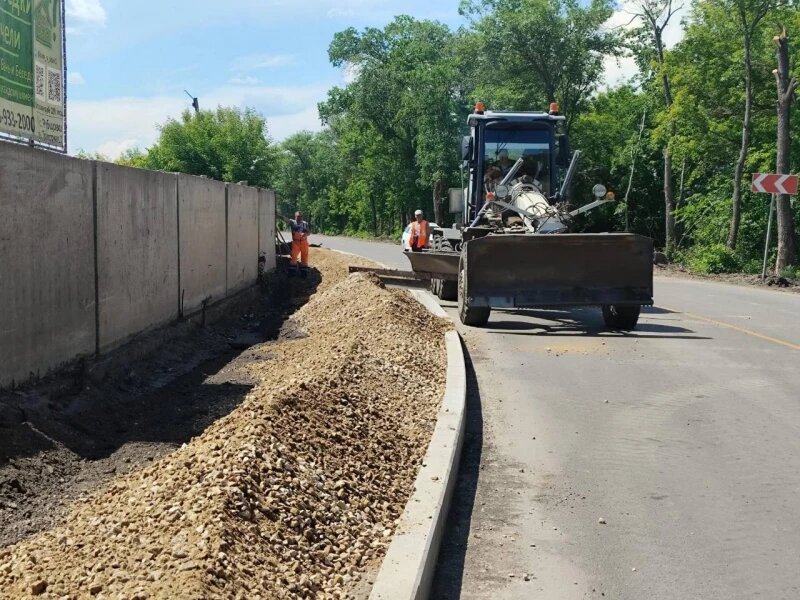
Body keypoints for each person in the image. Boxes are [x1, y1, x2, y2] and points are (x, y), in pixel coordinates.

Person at [288, 211, 310, 277]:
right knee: (294, 257)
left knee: (304, 257)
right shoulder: (292, 222)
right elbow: (285, 219)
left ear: (302, 217)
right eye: (298, 216)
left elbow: (309, 233)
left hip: (304, 242)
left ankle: (304, 273)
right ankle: (292, 272)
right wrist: (278, 215)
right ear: (295, 217)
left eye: (300, 217)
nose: (299, 218)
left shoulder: (305, 224)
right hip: (296, 243)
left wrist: (305, 234)